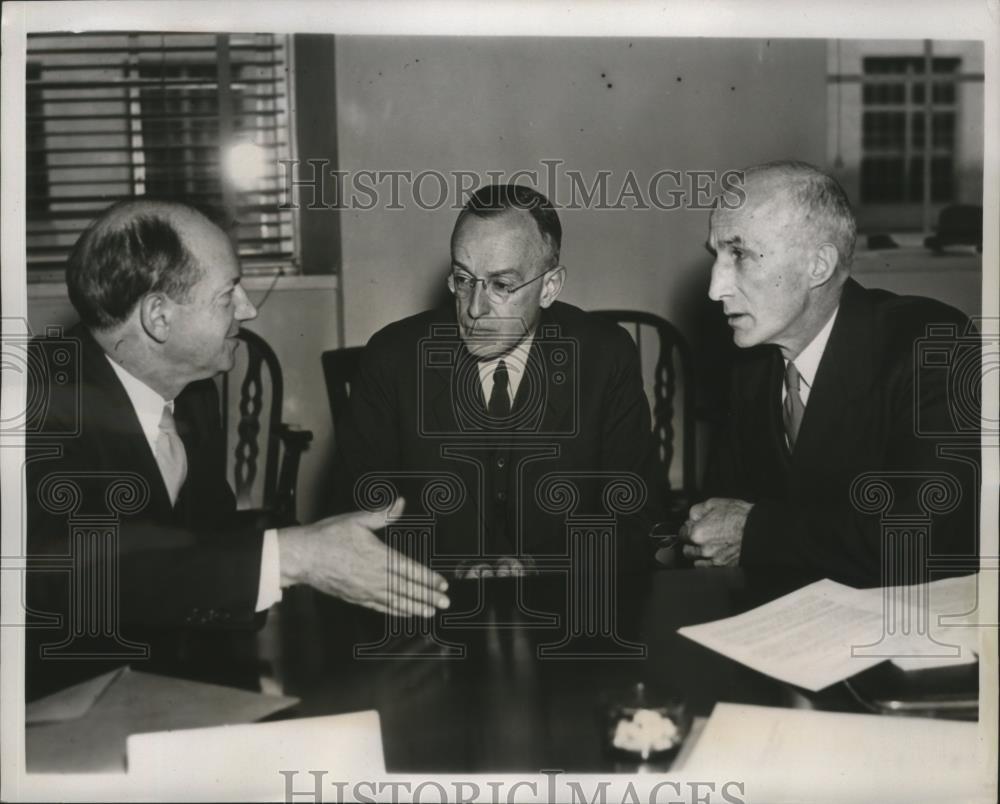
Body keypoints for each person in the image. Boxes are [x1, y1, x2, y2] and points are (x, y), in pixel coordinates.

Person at [25, 200, 449, 698]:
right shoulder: (36, 404)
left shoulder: (192, 390)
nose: (248, 308)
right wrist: (295, 556)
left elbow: (207, 536)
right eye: (228, 294)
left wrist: (314, 540)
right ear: (158, 317)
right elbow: (88, 578)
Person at [333, 185, 666, 577]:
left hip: (566, 607)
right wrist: (450, 569)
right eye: (463, 279)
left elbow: (638, 518)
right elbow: (353, 521)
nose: (474, 308)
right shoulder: (393, 358)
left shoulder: (604, 356)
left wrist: (536, 567)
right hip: (432, 610)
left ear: (549, 287)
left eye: (502, 285)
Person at [683, 161, 979, 587]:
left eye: (740, 254)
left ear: (819, 266)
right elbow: (725, 510)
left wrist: (754, 532)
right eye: (717, 256)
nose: (716, 288)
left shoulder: (931, 343)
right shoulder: (751, 367)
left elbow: (930, 537)